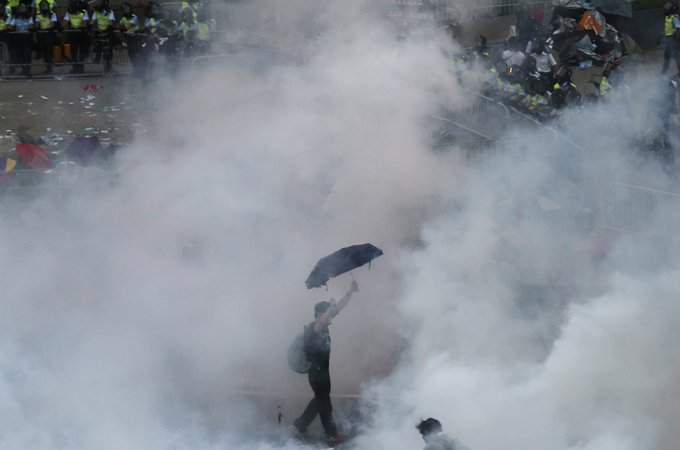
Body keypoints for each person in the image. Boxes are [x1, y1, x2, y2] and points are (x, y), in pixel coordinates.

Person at [292, 280, 359, 444]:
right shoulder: (313, 329)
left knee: (321, 400)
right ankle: (330, 433)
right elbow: (323, 321)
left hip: (323, 370)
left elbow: (339, 307)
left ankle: (301, 423)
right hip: (316, 372)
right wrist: (330, 307)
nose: (331, 318)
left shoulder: (323, 325)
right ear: (320, 315)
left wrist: (351, 291)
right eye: (327, 314)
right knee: (324, 402)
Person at [62, 0, 89, 74]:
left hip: (81, 33)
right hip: (73, 33)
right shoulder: (69, 12)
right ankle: (75, 67)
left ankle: (81, 67)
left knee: (82, 52)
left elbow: (84, 22)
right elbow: (66, 21)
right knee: (73, 52)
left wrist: (84, 27)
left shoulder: (83, 12)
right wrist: (61, 27)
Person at [6, 2, 32, 77]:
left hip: (27, 38)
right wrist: (8, 28)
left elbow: (31, 25)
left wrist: (32, 28)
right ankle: (24, 70)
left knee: (28, 55)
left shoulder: (29, 17)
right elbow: (10, 25)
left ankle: (28, 71)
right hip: (19, 39)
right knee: (21, 55)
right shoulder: (16, 18)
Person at [34, 0, 56, 74]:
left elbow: (53, 23)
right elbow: (37, 23)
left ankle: (50, 64)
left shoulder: (52, 14)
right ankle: (48, 67)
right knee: (45, 51)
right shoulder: (39, 15)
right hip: (42, 34)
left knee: (49, 50)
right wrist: (35, 28)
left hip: (49, 33)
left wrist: (52, 28)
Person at [90, 0, 113, 72]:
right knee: (98, 46)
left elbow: (111, 21)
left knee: (107, 50)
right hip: (99, 32)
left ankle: (108, 65)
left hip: (106, 32)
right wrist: (90, 25)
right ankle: (98, 57)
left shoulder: (109, 12)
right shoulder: (96, 12)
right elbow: (93, 20)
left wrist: (110, 26)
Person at [662, 2, 680, 75]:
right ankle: (663, 73)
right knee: (667, 56)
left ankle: (663, 73)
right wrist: (662, 35)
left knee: (676, 56)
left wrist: (677, 38)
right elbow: (667, 27)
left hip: (673, 39)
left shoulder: (674, 17)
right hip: (669, 40)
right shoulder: (668, 17)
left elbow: (678, 28)